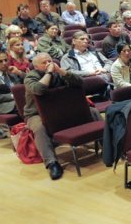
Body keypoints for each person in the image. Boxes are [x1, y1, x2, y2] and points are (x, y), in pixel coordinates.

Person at [24, 52, 102, 180]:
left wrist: (60, 71)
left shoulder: (58, 73)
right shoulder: (30, 77)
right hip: (35, 113)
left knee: (92, 111)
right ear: (37, 67)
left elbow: (79, 82)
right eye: (44, 63)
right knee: (39, 128)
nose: (49, 64)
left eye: (50, 61)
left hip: (61, 109)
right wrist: (49, 73)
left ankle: (108, 146)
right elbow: (39, 89)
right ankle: (52, 163)